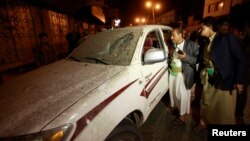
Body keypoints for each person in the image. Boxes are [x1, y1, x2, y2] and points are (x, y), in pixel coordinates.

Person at [194, 16, 247, 130]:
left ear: (210, 27)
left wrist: (239, 80)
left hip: (224, 79)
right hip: (209, 78)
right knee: (206, 103)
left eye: (202, 28)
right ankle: (204, 123)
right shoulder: (204, 42)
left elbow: (241, 59)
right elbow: (204, 61)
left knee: (224, 109)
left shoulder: (227, 38)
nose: (199, 30)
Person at [168, 25, 199, 126]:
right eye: (171, 35)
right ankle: (178, 109)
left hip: (184, 75)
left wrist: (186, 57)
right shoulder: (173, 45)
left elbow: (197, 61)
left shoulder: (192, 45)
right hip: (173, 74)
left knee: (183, 95)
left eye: (173, 35)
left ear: (181, 34)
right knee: (175, 94)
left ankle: (182, 117)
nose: (171, 37)